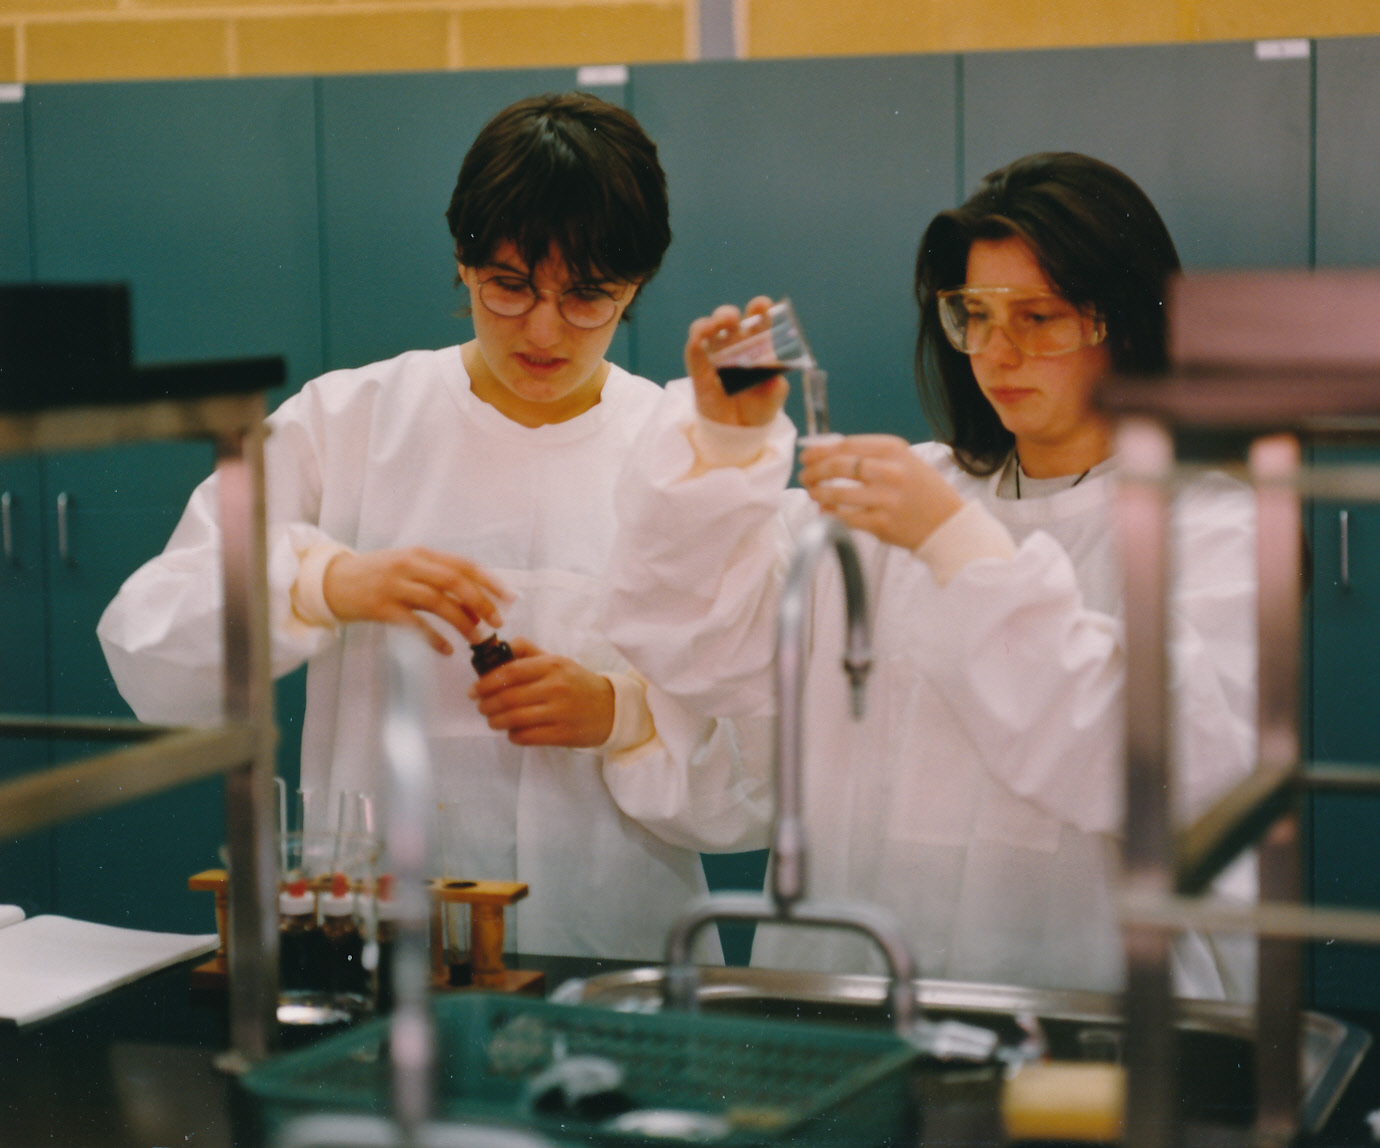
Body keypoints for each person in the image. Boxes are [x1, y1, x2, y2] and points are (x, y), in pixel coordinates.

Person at [97, 92, 767, 962]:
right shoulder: (348, 423)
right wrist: (319, 584)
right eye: (509, 285)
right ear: (463, 261)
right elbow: (145, 648)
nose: (543, 329)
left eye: (588, 296)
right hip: (381, 936)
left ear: (635, 286)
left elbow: (765, 755)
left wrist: (621, 714)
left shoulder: (679, 455)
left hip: (616, 944)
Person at [600, 152, 1257, 998]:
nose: (997, 352)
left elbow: (1153, 767)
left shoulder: (1207, 527)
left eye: (1038, 317)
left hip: (1079, 1015)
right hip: (858, 990)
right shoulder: (908, 490)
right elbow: (700, 646)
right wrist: (722, 448)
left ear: (1123, 323)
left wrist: (954, 546)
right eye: (974, 315)